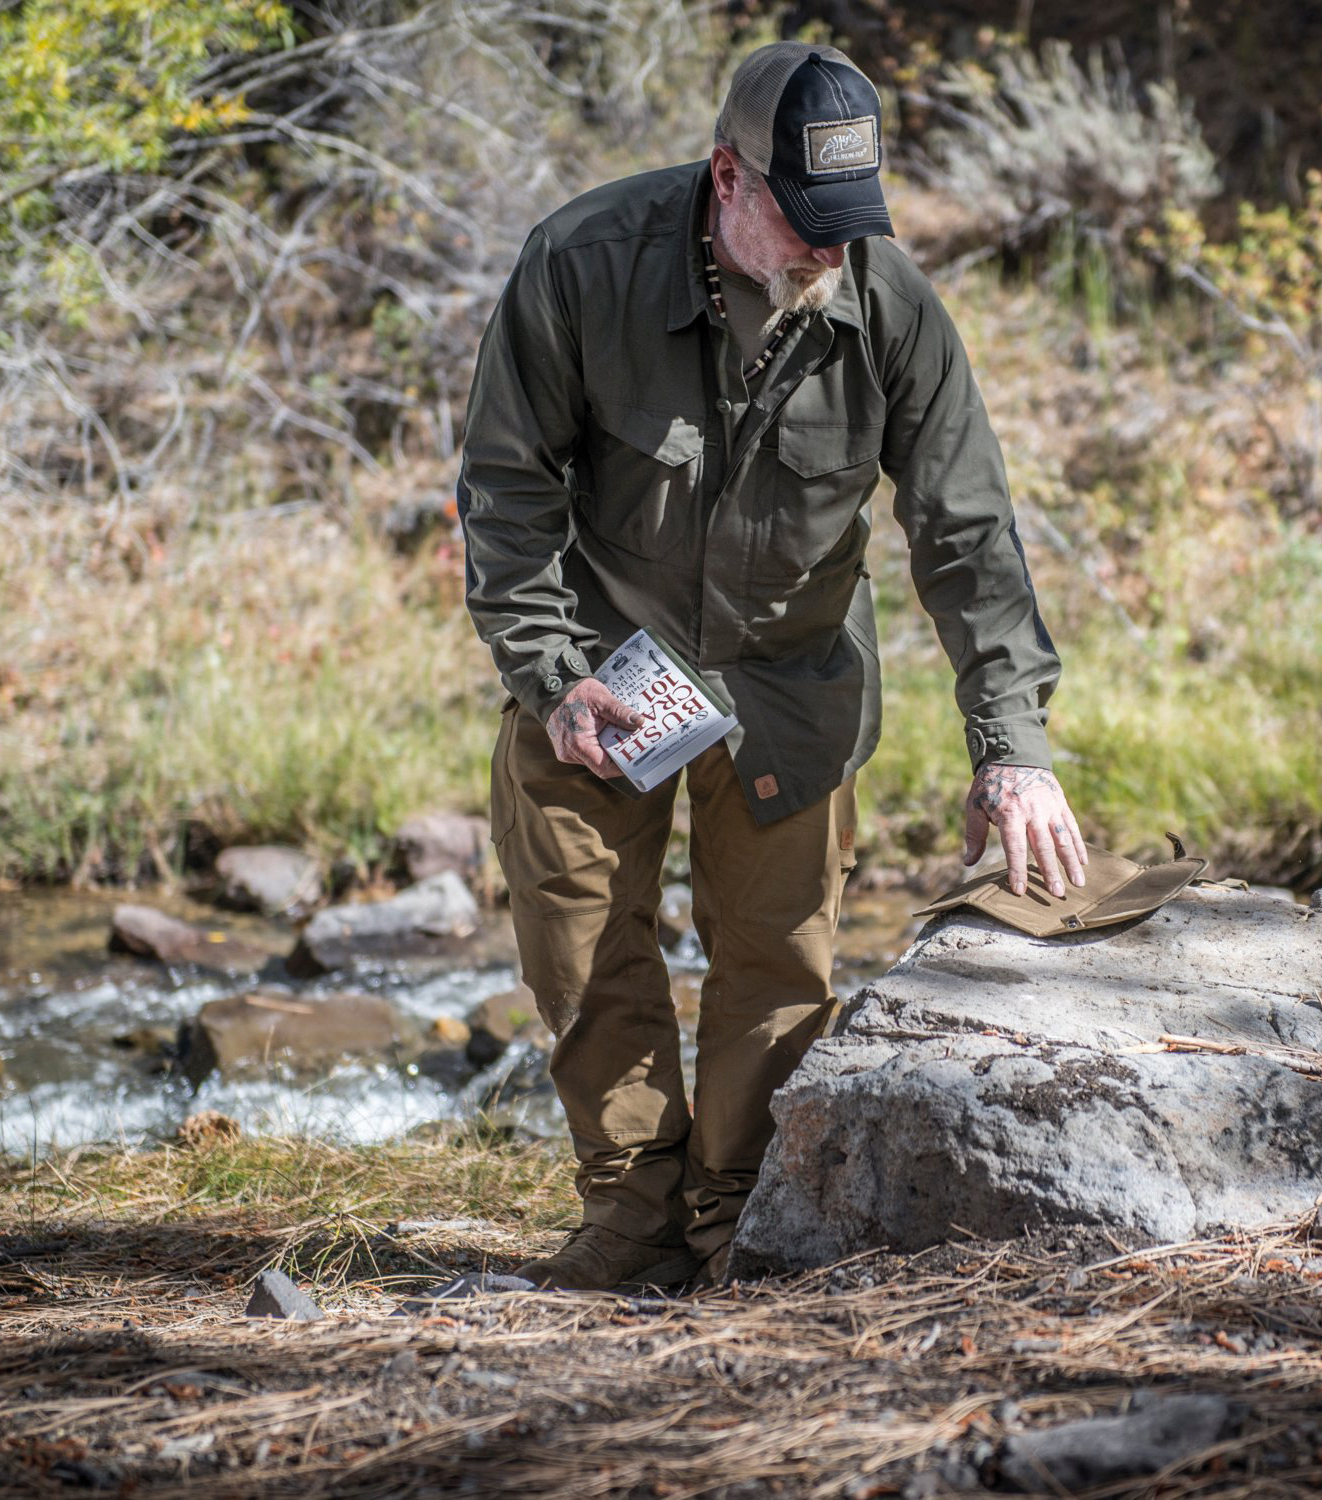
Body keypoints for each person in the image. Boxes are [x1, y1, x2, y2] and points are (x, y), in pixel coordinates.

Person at [457, 39, 1088, 1291]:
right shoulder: (583, 266)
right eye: (804, 222)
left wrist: (1011, 746)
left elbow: (966, 534)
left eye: (849, 225)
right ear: (725, 178)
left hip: (792, 684)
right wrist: (548, 669)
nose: (827, 253)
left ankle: (733, 1227)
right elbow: (506, 490)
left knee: (776, 968)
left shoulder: (889, 306)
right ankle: (632, 1221)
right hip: (601, 671)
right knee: (578, 945)